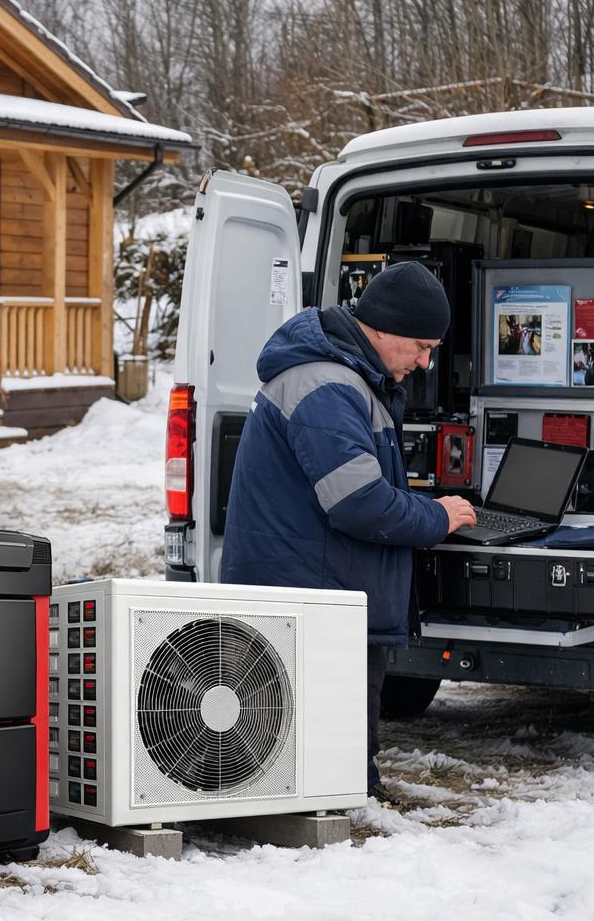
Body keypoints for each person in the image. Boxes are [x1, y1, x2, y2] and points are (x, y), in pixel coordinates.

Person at [219, 260, 476, 799]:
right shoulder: (329, 386)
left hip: (321, 587)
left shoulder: (346, 377)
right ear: (382, 328)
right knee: (321, 746)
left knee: (330, 743)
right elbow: (357, 502)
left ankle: (347, 800)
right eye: (420, 346)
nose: (426, 362)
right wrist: (437, 517)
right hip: (311, 596)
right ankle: (338, 818)